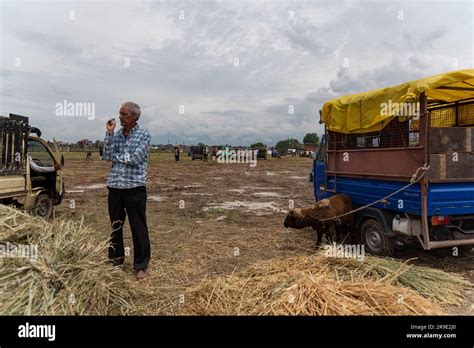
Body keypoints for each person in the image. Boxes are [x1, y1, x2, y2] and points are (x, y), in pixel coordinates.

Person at [103, 101, 151, 280]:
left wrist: (117, 157)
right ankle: (116, 260)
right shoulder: (115, 136)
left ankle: (141, 266)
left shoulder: (144, 136)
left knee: (138, 227)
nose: (120, 117)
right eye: (120, 114)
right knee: (116, 225)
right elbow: (107, 156)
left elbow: (135, 158)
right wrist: (108, 133)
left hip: (135, 188)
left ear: (134, 117)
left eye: (124, 114)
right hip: (115, 187)